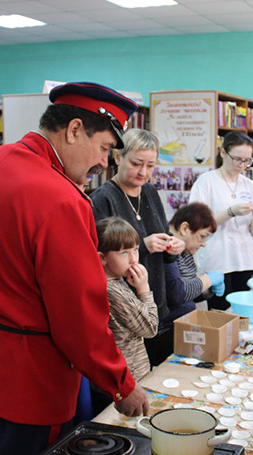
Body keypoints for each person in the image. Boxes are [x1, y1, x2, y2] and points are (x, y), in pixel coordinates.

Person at [0, 81, 150, 455]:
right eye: (104, 148)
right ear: (74, 130)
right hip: (31, 377)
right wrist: (121, 385)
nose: (104, 162)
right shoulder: (61, 198)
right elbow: (79, 317)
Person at [90, 128, 186, 366]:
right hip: (124, 309)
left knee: (157, 372)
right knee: (137, 372)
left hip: (154, 298)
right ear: (118, 157)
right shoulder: (103, 199)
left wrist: (172, 247)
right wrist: (143, 245)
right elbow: (99, 258)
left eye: (150, 165)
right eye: (136, 163)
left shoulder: (150, 192)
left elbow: (162, 236)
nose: (144, 172)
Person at [187, 131, 253, 310]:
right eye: (237, 159)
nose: (242, 165)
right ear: (223, 152)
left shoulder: (248, 184)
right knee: (220, 313)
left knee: (242, 312)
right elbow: (197, 225)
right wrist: (230, 212)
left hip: (244, 259)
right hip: (217, 258)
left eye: (247, 161)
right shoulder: (206, 182)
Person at [97, 216, 158, 382]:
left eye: (135, 250)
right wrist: (143, 289)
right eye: (124, 252)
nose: (133, 259)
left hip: (126, 374)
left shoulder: (114, 280)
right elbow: (151, 328)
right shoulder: (112, 291)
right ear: (102, 258)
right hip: (129, 378)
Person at [167, 202, 224, 312]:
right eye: (202, 236)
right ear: (184, 229)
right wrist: (208, 280)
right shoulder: (166, 251)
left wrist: (207, 290)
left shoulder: (185, 251)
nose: (203, 244)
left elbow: (189, 292)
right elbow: (177, 294)